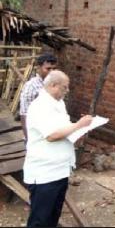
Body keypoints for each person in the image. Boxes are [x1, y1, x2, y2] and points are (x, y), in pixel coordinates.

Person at [23, 70, 92, 227]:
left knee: (53, 217)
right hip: (44, 173)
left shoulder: (58, 104)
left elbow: (64, 128)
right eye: (64, 87)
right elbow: (52, 135)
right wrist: (78, 125)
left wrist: (78, 130)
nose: (67, 91)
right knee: (40, 220)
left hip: (60, 170)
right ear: (53, 85)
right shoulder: (40, 106)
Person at [19, 53, 58, 140]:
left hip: (50, 133)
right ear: (39, 68)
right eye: (48, 69)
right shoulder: (31, 86)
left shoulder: (55, 85)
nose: (51, 72)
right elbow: (24, 114)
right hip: (35, 135)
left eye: (54, 69)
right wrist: (29, 139)